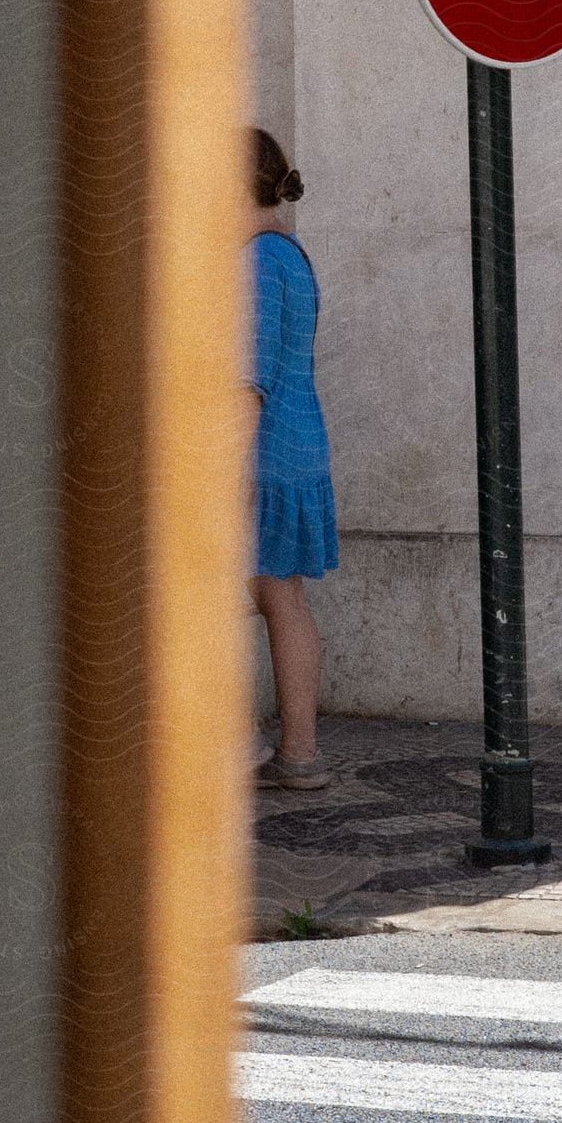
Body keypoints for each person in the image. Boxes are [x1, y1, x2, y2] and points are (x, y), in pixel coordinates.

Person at [245, 128, 338, 790]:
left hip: (261, 454)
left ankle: (241, 749)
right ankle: (298, 753)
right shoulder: (292, 254)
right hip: (301, 447)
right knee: (284, 599)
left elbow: (246, 377)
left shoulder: (252, 262)